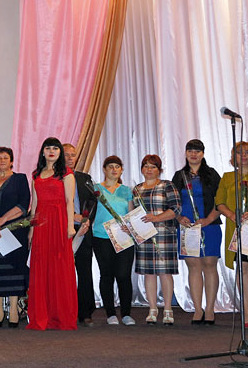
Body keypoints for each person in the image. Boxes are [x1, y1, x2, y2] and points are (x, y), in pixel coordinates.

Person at [215, 141, 248, 328]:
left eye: (247, 152)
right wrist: (231, 215)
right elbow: (219, 202)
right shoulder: (227, 177)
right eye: (239, 152)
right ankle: (246, 310)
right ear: (234, 157)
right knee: (243, 269)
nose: (243, 155)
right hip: (237, 228)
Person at [26, 137, 77, 331]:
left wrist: (70, 227)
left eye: (55, 148)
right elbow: (34, 204)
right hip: (41, 224)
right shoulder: (36, 174)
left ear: (60, 152)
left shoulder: (66, 173)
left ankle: (60, 316)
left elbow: (69, 202)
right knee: (41, 270)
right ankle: (42, 316)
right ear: (43, 152)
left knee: (59, 269)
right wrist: (31, 230)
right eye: (48, 148)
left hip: (59, 222)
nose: (52, 151)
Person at [171, 139, 222, 325]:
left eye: (197, 151)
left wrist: (209, 219)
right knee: (193, 266)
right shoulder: (179, 176)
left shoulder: (212, 174)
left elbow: (221, 200)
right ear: (185, 153)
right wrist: (178, 218)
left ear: (203, 154)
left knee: (209, 264)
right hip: (187, 227)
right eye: (190, 150)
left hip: (210, 224)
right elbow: (172, 201)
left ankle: (210, 309)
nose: (193, 154)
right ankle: (198, 309)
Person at [0, 147, 30, 328]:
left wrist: (2, 220)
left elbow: (23, 205)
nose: (2, 160)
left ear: (11, 161)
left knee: (13, 270)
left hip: (13, 231)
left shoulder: (20, 179)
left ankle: (14, 309)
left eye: (5, 158)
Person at [133, 154, 181, 325]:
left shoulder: (167, 185)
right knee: (149, 273)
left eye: (153, 166)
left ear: (159, 169)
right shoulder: (137, 189)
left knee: (165, 272)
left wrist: (156, 218)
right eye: (146, 166)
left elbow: (176, 209)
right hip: (144, 235)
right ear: (141, 169)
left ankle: (168, 310)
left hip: (164, 234)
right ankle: (152, 309)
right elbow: (133, 213)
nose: (149, 169)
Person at [92, 156, 135, 326]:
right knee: (107, 275)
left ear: (121, 170)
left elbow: (130, 214)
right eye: (110, 166)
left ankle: (126, 314)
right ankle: (110, 313)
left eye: (117, 166)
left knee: (124, 275)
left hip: (124, 238)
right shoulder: (96, 189)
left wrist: (129, 227)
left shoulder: (126, 190)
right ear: (104, 169)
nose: (114, 170)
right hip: (101, 237)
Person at [63, 143, 98, 327]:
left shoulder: (85, 178)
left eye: (73, 155)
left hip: (83, 230)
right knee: (62, 273)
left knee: (84, 272)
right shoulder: (54, 179)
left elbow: (93, 201)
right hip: (61, 230)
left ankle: (85, 312)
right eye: (66, 154)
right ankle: (64, 310)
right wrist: (70, 216)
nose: (70, 158)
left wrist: (86, 219)